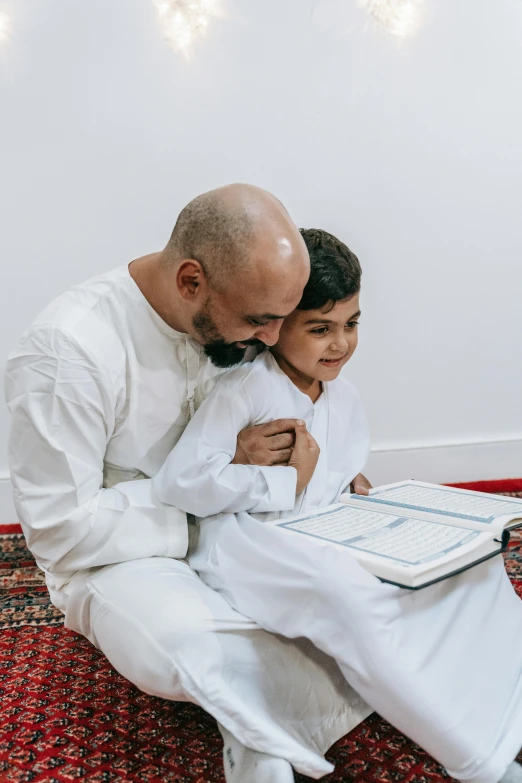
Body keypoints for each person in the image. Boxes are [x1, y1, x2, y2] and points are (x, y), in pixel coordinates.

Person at [4, 186, 374, 783]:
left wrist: (328, 477)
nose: (277, 339)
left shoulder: (235, 323)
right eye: (261, 320)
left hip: (249, 527)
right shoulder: (67, 353)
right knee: (204, 648)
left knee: (374, 601)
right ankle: (260, 734)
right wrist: (213, 482)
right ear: (190, 282)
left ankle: (262, 719)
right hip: (123, 557)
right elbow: (59, 532)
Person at [154, 227, 522, 783]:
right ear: (276, 329)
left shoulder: (344, 395)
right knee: (352, 597)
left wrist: (357, 490)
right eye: (320, 329)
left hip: (335, 527)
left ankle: (508, 705)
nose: (340, 344)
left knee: (475, 560)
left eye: (351, 325)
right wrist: (276, 480)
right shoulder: (244, 389)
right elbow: (180, 484)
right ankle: (479, 759)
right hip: (255, 543)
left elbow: (342, 468)